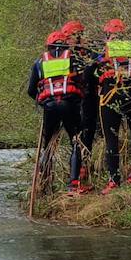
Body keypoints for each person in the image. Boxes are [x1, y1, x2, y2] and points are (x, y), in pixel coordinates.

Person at [26, 30, 84, 193]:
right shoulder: (74, 59)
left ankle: (45, 183)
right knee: (75, 142)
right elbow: (82, 81)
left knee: (48, 145)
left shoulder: (39, 63)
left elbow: (31, 90)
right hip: (70, 105)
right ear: (65, 44)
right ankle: (74, 183)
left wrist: (42, 101)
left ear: (48, 45)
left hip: (50, 107)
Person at [96, 18, 131, 191]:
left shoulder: (103, 52)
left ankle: (114, 179)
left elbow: (92, 73)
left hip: (111, 95)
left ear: (108, 33)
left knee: (111, 138)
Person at [60, 20, 99, 194]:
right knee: (78, 138)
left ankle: (83, 170)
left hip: (89, 98)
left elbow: (96, 65)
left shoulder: (89, 52)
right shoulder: (66, 55)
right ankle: (76, 176)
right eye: (68, 37)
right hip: (76, 101)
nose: (69, 40)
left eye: (72, 37)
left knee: (88, 134)